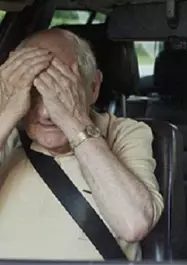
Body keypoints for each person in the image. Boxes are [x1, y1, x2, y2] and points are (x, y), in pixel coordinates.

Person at [0, 28, 164, 260]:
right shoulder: (9, 132)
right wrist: (7, 113)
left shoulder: (125, 132)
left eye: (61, 92)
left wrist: (74, 121)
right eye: (34, 93)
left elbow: (133, 224)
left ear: (94, 87)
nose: (46, 113)